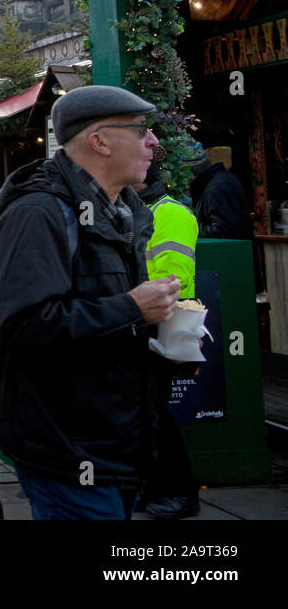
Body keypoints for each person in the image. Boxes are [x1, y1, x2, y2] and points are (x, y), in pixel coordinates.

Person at [0, 85, 173, 520]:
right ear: (100, 141)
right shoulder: (41, 212)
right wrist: (132, 308)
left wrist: (163, 349)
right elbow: (20, 327)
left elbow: (99, 323)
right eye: (142, 129)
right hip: (67, 452)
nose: (154, 142)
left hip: (117, 448)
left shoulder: (123, 211)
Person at [134, 152, 202, 520]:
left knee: (156, 412)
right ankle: (155, 486)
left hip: (161, 324)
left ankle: (180, 492)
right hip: (141, 324)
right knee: (145, 413)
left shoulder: (169, 213)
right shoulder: (137, 210)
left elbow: (178, 277)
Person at [186, 147, 251, 239]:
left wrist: (188, 228)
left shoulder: (218, 188)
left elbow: (222, 231)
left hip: (230, 252)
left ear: (191, 172)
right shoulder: (214, 184)